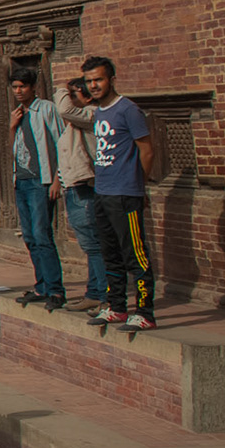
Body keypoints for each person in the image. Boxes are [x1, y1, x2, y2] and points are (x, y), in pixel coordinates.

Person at [80, 57, 160, 330]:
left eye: (98, 80)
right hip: (103, 190)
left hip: (125, 192)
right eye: (89, 81)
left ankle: (145, 312)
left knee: (135, 254)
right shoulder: (99, 112)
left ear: (111, 80)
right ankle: (116, 307)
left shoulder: (128, 109)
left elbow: (146, 150)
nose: (93, 85)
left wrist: (139, 185)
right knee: (110, 253)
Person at [6, 68, 66, 311]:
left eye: (23, 86)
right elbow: (13, 149)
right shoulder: (18, 113)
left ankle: (56, 290)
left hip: (41, 181)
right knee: (30, 237)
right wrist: (12, 126)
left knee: (42, 236)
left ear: (33, 87)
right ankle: (41, 286)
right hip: (21, 181)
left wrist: (57, 179)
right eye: (15, 87)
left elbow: (61, 143)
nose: (18, 91)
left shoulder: (47, 109)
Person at [55, 77, 107, 310]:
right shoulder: (78, 121)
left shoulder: (92, 114)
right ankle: (94, 292)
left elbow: (64, 109)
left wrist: (61, 89)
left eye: (74, 95)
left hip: (85, 186)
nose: (70, 100)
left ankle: (103, 295)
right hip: (74, 186)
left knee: (95, 245)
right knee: (90, 246)